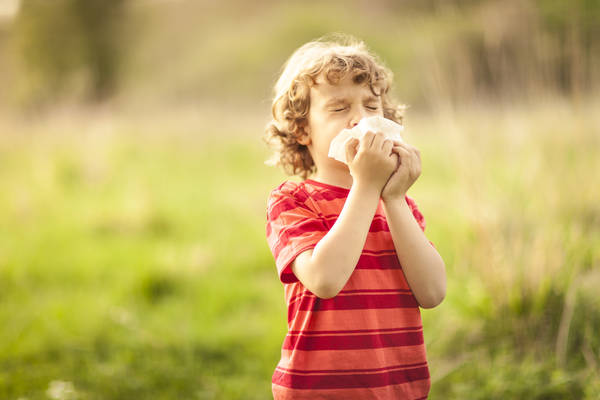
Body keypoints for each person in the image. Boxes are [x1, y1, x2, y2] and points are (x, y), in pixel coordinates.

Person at [263, 33, 447, 400]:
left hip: (397, 388)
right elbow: (325, 279)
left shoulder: (400, 208)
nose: (360, 119)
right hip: (319, 390)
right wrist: (367, 186)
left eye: (371, 106)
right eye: (338, 108)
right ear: (302, 130)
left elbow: (432, 292)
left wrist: (393, 197)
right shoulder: (292, 200)